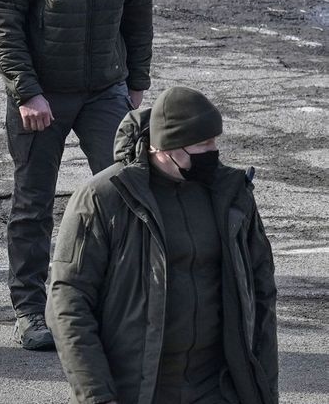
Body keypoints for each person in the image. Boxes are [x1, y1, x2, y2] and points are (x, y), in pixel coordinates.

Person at [0, 0, 154, 350]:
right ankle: (30, 312)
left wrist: (137, 84)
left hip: (107, 89)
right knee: (33, 205)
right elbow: (2, 20)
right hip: (42, 96)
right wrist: (26, 91)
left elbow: (138, 11)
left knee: (129, 193)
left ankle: (121, 301)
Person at [47, 86, 278, 404]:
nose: (214, 152)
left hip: (218, 390)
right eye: (203, 144)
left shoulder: (232, 195)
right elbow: (68, 303)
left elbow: (262, 297)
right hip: (141, 391)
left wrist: (265, 391)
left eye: (214, 141)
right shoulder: (103, 199)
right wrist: (98, 396)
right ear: (165, 147)